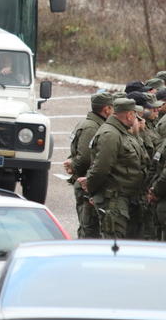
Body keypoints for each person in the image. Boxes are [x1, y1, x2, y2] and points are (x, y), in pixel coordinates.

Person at [80, 98, 147, 239]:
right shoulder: (110, 134)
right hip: (113, 200)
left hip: (126, 198)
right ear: (129, 115)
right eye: (134, 114)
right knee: (115, 243)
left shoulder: (121, 132)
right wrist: (92, 189)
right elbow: (101, 168)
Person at [63, 91, 115, 238]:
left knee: (88, 227)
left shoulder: (88, 123)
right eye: (112, 108)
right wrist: (74, 166)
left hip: (85, 181)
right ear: (106, 109)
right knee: (89, 230)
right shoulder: (92, 127)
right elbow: (85, 158)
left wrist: (72, 162)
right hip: (86, 183)